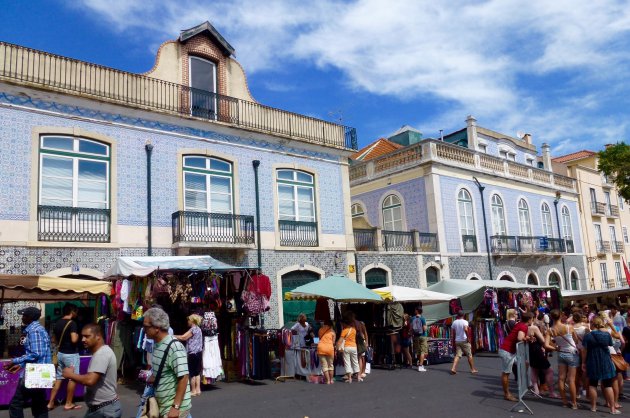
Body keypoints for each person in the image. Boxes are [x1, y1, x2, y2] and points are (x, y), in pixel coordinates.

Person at [62, 324, 120, 418]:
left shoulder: (102, 354)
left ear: (98, 336)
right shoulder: (102, 351)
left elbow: (90, 380)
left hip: (104, 410)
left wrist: (70, 374)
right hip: (103, 408)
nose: (83, 340)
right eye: (82, 336)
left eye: (87, 336)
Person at [143, 307, 192, 418]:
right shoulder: (157, 344)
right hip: (163, 406)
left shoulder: (174, 346)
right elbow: (165, 370)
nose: (143, 330)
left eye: (146, 327)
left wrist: (175, 407)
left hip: (173, 410)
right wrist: (154, 377)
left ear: (157, 328)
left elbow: (183, 377)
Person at [5, 307, 51, 418]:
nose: (22, 317)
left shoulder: (34, 330)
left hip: (34, 373)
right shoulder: (35, 329)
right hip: (38, 372)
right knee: (38, 403)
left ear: (30, 317)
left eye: (24, 315)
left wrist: (16, 361)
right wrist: (20, 365)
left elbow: (36, 353)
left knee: (16, 404)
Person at [582, 316, 620, 414]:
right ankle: (612, 409)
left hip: (592, 361)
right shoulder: (606, 335)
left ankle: (593, 407)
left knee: (593, 384)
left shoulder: (588, 336)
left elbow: (584, 351)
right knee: (608, 385)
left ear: (593, 324)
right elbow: (610, 344)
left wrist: (583, 362)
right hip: (605, 360)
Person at [48, 303, 81, 411]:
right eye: (76, 311)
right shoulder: (72, 323)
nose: (76, 314)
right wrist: (78, 335)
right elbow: (74, 340)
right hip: (71, 354)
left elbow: (53, 339)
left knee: (58, 378)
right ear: (72, 312)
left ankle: (51, 402)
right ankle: (68, 403)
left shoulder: (57, 322)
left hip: (60, 354)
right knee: (73, 378)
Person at [499, 311, 533, 401]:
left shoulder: (520, 324)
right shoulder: (523, 326)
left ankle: (523, 384)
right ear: (529, 320)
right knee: (506, 373)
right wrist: (527, 338)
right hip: (507, 351)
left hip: (509, 351)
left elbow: (519, 337)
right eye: (532, 319)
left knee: (525, 364)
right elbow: (519, 338)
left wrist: (527, 338)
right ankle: (507, 394)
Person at [549, 309, 579, 409]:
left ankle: (565, 401)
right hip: (571, 353)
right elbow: (576, 339)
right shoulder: (568, 327)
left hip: (561, 353)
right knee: (571, 380)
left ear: (551, 317)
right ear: (561, 316)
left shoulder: (550, 330)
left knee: (561, 379)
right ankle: (574, 403)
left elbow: (546, 344)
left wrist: (556, 347)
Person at [527, 312, 557, 397]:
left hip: (530, 350)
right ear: (532, 319)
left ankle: (536, 390)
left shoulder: (524, 327)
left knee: (534, 370)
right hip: (537, 350)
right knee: (549, 370)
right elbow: (542, 340)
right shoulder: (534, 327)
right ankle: (551, 392)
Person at [175, 314, 203, 397]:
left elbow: (183, 337)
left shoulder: (193, 329)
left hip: (192, 353)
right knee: (197, 372)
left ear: (192, 321)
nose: (187, 321)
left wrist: (172, 336)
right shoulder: (199, 329)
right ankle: (198, 389)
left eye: (189, 320)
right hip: (199, 352)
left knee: (192, 373)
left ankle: (193, 390)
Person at [450, 310, 478, 375]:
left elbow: (453, 332)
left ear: (458, 315)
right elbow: (465, 329)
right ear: (463, 315)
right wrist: (468, 337)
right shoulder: (465, 322)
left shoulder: (454, 322)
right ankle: (472, 369)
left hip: (457, 340)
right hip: (464, 340)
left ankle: (453, 368)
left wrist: (453, 339)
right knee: (469, 355)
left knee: (458, 355)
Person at [339, 311, 360, 383]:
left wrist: (337, 347)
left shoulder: (344, 331)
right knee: (355, 361)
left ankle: (350, 378)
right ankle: (358, 377)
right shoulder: (354, 330)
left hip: (346, 347)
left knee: (347, 362)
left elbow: (340, 340)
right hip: (354, 347)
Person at [317, 319, 336, 384]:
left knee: (324, 365)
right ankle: (331, 380)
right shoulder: (332, 331)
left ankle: (327, 381)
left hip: (321, 348)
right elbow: (333, 342)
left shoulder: (320, 330)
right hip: (329, 348)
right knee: (330, 365)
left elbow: (320, 338)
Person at [412, 307, 428, 372]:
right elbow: (424, 329)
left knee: (418, 351)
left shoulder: (413, 318)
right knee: (423, 351)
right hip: (422, 336)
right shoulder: (422, 318)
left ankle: (419, 363)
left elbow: (411, 328)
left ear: (416, 311)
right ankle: (420, 366)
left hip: (415, 336)